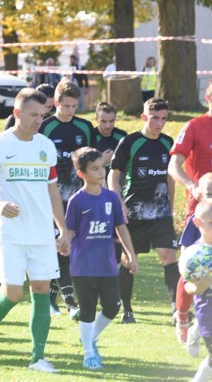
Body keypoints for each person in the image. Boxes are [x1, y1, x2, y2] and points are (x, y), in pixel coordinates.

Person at [0, 88, 71, 372]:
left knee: (41, 290)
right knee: (12, 293)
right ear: (16, 113)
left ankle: (37, 358)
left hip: (41, 234)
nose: (38, 120)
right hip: (11, 233)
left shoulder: (45, 146)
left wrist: (63, 228)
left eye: (42, 115)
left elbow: (53, 190)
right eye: (32, 115)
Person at [65, 147, 138, 369]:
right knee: (87, 310)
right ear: (82, 174)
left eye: (102, 167)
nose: (100, 172)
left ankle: (89, 337)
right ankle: (88, 354)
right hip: (83, 266)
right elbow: (68, 232)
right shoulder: (76, 201)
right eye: (94, 169)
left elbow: (121, 228)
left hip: (107, 264)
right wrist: (62, 242)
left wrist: (130, 254)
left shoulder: (112, 198)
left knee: (112, 307)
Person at [108, 97, 178, 324]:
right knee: (129, 260)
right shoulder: (130, 142)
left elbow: (170, 176)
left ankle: (177, 310)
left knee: (168, 256)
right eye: (155, 118)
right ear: (144, 117)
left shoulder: (168, 142)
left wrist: (170, 204)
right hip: (134, 213)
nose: (159, 123)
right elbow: (113, 175)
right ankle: (127, 309)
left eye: (164, 119)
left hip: (160, 213)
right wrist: (119, 204)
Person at [39, 80, 92, 318]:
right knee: (57, 246)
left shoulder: (85, 128)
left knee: (73, 247)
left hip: (78, 199)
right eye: (66, 106)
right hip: (51, 199)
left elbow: (92, 161)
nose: (71, 110)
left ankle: (64, 298)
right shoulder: (45, 127)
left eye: (74, 106)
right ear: (56, 103)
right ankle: (62, 300)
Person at [168, 81, 212, 342]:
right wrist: (192, 187)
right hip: (201, 212)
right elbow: (174, 165)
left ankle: (202, 324)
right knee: (191, 266)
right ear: (208, 97)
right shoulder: (195, 126)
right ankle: (182, 317)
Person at [181, 199, 212, 382]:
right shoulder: (195, 255)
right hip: (208, 314)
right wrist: (201, 283)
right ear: (197, 223)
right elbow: (188, 287)